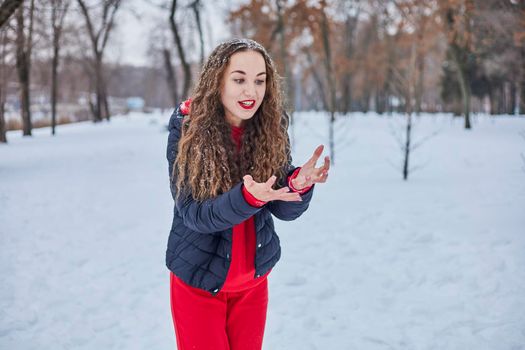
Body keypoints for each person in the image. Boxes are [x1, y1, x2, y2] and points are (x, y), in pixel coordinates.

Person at [166, 38, 330, 350]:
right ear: (218, 81)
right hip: (199, 283)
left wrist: (297, 185)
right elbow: (193, 213)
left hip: (252, 286)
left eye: (259, 81)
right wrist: (247, 199)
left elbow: (281, 206)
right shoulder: (188, 128)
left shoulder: (270, 125)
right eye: (239, 79)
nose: (251, 92)